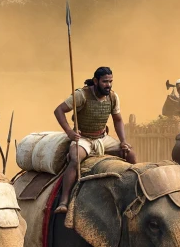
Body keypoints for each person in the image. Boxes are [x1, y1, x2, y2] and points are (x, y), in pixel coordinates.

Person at [53, 66, 136, 215]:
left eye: (110, 81)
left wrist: (123, 141)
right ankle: (64, 200)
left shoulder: (113, 97)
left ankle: (136, 192)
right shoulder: (81, 95)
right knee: (75, 158)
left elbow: (118, 120)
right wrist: (70, 132)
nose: (108, 85)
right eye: (105, 81)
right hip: (83, 138)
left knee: (130, 154)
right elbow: (58, 110)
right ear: (96, 81)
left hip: (103, 138)